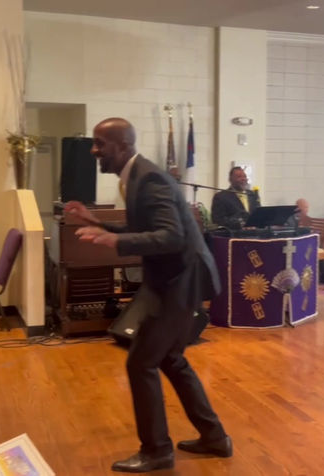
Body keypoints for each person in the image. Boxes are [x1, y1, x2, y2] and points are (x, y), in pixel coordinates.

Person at [65, 118, 231, 473]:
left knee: (141, 362)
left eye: (100, 143)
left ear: (123, 145)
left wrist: (117, 240)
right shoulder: (137, 175)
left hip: (179, 283)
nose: (94, 150)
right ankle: (215, 437)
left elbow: (171, 236)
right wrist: (97, 222)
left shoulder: (149, 178)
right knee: (171, 359)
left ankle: (156, 451)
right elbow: (146, 229)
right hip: (177, 281)